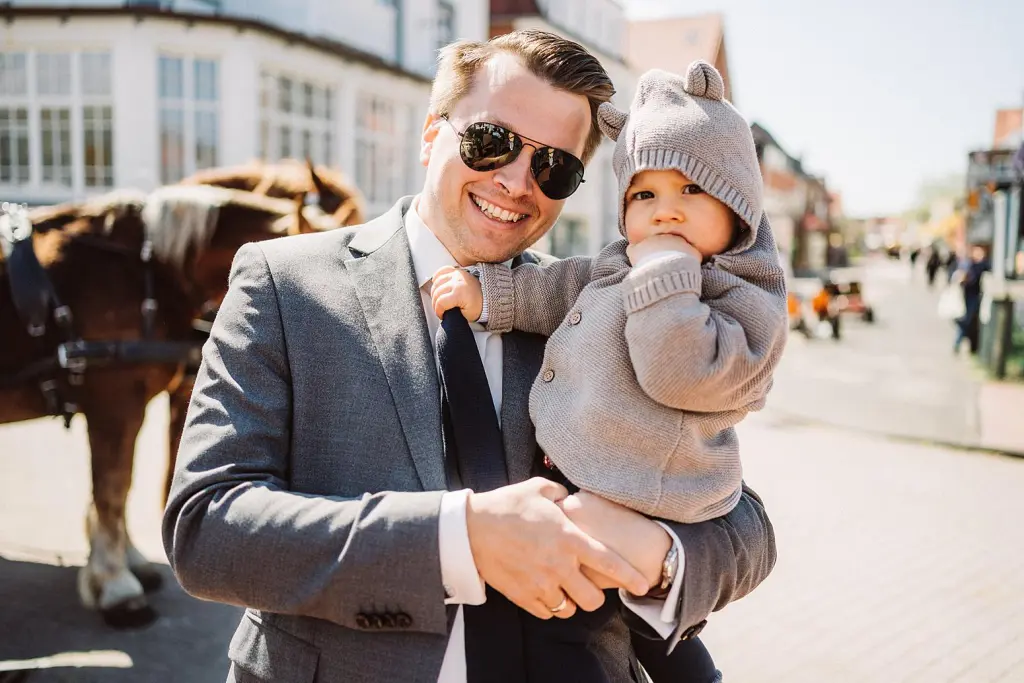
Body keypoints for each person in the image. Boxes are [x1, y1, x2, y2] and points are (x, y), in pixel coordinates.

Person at [163, 30, 776, 683]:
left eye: (553, 167)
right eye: (492, 142)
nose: (515, 182)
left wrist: (660, 555)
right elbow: (207, 528)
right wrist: (460, 538)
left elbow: (743, 522)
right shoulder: (283, 283)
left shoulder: (600, 303)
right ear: (431, 134)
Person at [428, 63, 787, 680]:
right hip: (573, 480)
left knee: (584, 629)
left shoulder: (739, 298)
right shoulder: (617, 267)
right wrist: (490, 298)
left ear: (739, 208)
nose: (666, 213)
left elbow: (681, 376)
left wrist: (666, 274)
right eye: (644, 195)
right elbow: (557, 288)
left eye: (692, 191)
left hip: (650, 498)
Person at [954, 245, 990, 355]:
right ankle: (960, 342)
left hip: (975, 298)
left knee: (970, 322)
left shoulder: (982, 265)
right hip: (970, 298)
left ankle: (966, 344)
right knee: (968, 321)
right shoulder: (970, 265)